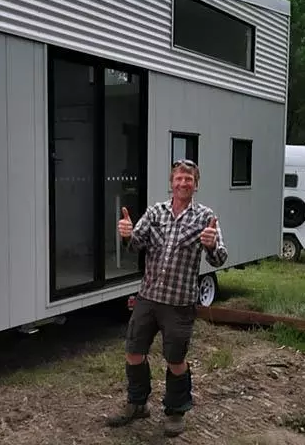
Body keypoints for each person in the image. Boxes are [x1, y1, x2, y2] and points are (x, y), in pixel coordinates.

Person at [106, 159, 228, 438]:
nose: (183, 183)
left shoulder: (205, 217)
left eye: (189, 179)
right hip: (148, 297)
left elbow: (220, 256)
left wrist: (211, 245)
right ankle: (137, 404)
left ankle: (175, 411)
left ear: (196, 185)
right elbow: (136, 244)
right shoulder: (156, 212)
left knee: (175, 359)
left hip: (179, 302)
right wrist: (126, 234)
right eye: (178, 178)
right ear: (171, 183)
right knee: (134, 352)